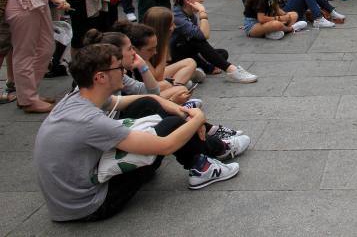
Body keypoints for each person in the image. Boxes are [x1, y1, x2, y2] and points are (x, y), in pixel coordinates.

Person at [32, 44, 246, 222]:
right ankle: (210, 156)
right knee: (172, 125)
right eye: (118, 69)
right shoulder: (90, 121)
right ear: (100, 77)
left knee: (146, 104)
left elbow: (132, 100)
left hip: (72, 196)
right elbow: (166, 145)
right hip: (91, 205)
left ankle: (206, 154)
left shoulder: (78, 96)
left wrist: (172, 105)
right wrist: (197, 117)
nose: (124, 72)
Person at [171, 0, 258, 82]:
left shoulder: (189, 13)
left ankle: (199, 68)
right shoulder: (177, 16)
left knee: (222, 53)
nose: (202, 0)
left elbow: (202, 36)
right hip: (175, 55)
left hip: (189, 52)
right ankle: (231, 70)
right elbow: (204, 36)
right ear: (188, 0)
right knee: (199, 42)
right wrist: (202, 12)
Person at [113, 20, 197, 104]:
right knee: (181, 89)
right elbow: (155, 82)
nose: (155, 52)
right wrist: (171, 100)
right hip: (134, 106)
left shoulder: (134, 62)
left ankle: (179, 89)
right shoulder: (120, 70)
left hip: (144, 95)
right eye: (130, 49)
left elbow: (151, 90)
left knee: (189, 66)